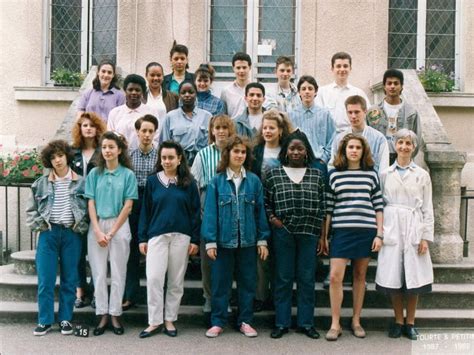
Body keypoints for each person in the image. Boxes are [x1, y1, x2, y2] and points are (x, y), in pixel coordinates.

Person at [202, 135, 270, 338]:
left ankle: (245, 321)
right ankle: (218, 321)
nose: (239, 155)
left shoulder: (254, 182)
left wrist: (262, 239)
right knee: (221, 284)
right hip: (223, 242)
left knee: (248, 283)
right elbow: (210, 212)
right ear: (228, 154)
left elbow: (260, 212)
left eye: (243, 152)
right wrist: (210, 240)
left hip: (248, 242)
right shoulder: (217, 182)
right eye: (236, 151)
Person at [264, 130, 326, 340]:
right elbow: (265, 203)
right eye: (292, 148)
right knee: (282, 278)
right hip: (284, 233)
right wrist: (274, 220)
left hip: (309, 233)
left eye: (300, 148)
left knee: (306, 279)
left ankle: (306, 323)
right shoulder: (274, 174)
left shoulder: (316, 175)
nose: (296, 152)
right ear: (286, 151)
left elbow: (322, 206)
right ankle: (281, 323)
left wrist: (320, 234)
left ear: (306, 151)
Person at [323, 134, 383, 341]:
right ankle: (335, 323)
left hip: (366, 231)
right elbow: (329, 208)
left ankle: (356, 320)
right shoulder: (334, 175)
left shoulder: (371, 175)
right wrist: (324, 236)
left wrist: (380, 234)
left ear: (363, 151)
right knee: (334, 277)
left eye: (358, 147)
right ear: (344, 150)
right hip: (341, 232)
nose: (354, 150)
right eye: (350, 147)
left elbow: (378, 206)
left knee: (360, 276)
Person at [138, 141, 200, 338]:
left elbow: (195, 213)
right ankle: (154, 321)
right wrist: (142, 237)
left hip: (182, 237)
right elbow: (145, 212)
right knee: (155, 278)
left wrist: (195, 240)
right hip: (157, 236)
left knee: (175, 281)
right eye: (163, 157)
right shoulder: (153, 182)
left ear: (179, 158)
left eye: (171, 157)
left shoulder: (189, 183)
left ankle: (170, 319)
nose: (167, 161)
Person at [375, 129, 434, 340]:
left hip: (413, 226)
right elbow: (379, 205)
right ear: (395, 145)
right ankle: (398, 320)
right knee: (394, 277)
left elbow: (427, 207)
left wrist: (425, 237)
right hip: (392, 225)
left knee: (414, 278)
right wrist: (380, 233)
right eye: (400, 142)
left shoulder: (422, 175)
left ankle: (411, 322)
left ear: (413, 147)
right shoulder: (385, 174)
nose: (404, 147)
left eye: (408, 143)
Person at [26, 140, 88, 336]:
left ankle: (65, 319)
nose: (57, 160)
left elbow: (89, 210)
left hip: (71, 234)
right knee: (46, 279)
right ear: (49, 161)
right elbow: (30, 211)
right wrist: (42, 226)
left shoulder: (82, 182)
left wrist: (80, 226)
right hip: (49, 234)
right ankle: (44, 321)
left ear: (67, 156)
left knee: (70, 278)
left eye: (60, 155)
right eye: (53, 158)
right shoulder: (40, 184)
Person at [85, 131, 138, 336]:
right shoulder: (94, 174)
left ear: (120, 150)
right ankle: (102, 314)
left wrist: (112, 232)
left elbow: (128, 205)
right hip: (97, 225)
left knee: (118, 272)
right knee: (98, 273)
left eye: (111, 147)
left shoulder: (127, 175)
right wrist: (98, 231)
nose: (107, 150)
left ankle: (115, 314)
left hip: (120, 225)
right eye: (104, 147)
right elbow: (90, 202)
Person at [191, 114, 236, 313]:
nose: (221, 132)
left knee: (227, 260)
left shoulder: (236, 153)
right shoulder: (203, 155)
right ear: (211, 130)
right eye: (217, 127)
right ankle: (208, 297)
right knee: (208, 262)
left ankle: (225, 299)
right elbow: (194, 185)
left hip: (231, 214)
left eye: (225, 128)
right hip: (207, 211)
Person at [251, 109, 293, 312]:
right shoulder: (256, 151)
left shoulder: (287, 151)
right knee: (261, 254)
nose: (267, 131)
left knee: (279, 255)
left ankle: (278, 298)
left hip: (281, 207)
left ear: (280, 130)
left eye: (272, 128)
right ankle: (260, 296)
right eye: (265, 127)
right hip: (259, 206)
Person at [122, 115, 159, 312]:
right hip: (134, 202)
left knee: (155, 250)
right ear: (137, 132)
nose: (146, 135)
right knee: (132, 250)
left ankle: (155, 298)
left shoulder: (160, 156)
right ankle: (130, 295)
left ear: (154, 133)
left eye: (150, 131)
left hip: (154, 203)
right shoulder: (128, 155)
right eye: (143, 131)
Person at [70, 112, 106, 309]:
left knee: (95, 254)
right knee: (77, 253)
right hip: (76, 208)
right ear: (80, 129)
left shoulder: (103, 152)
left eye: (92, 125)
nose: (88, 128)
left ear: (97, 128)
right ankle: (79, 292)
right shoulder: (72, 152)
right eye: (84, 125)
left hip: (96, 207)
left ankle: (94, 292)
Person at [366, 69, 421, 164]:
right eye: (389, 83)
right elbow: (367, 136)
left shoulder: (411, 112)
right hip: (378, 158)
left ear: (401, 86)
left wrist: (407, 158)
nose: (392, 86)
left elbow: (417, 139)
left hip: (402, 158)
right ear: (384, 86)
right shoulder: (372, 111)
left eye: (396, 83)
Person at [330, 95, 389, 174]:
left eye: (357, 112)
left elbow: (383, 169)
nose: (353, 116)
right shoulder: (339, 139)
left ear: (365, 112)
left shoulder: (378, 139)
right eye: (350, 112)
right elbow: (332, 165)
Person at [289, 75, 336, 175]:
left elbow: (333, 138)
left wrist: (324, 158)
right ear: (299, 92)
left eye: (310, 88)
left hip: (318, 161)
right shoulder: (291, 115)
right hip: (297, 162)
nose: (307, 91)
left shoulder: (324, 114)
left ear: (315, 92)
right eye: (303, 89)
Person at [315, 52, 370, 133]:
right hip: (330, 137)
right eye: (338, 66)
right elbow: (318, 117)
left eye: (345, 66)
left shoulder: (358, 93)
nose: (342, 69)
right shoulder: (322, 92)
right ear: (332, 69)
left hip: (353, 137)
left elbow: (367, 116)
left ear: (350, 68)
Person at [160, 81, 212, 165]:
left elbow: (212, 143)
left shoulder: (207, 116)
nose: (187, 95)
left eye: (191, 92)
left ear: (196, 94)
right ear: (179, 95)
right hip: (178, 162)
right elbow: (164, 144)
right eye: (183, 92)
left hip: (202, 161)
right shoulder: (170, 117)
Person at [107, 74, 156, 150]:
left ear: (142, 92)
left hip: (144, 157)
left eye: (137, 90)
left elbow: (156, 138)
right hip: (120, 157)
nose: (133, 93)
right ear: (125, 91)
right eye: (130, 89)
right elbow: (110, 138)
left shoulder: (151, 112)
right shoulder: (114, 113)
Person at [144, 62, 179, 137]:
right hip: (146, 139)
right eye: (152, 75)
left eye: (159, 75)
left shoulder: (173, 97)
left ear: (163, 76)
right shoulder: (141, 97)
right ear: (146, 76)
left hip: (165, 139)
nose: (156, 78)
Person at [220, 52, 252, 118]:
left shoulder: (256, 90)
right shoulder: (226, 91)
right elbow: (223, 115)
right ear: (233, 68)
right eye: (238, 68)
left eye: (244, 67)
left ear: (250, 67)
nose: (241, 71)